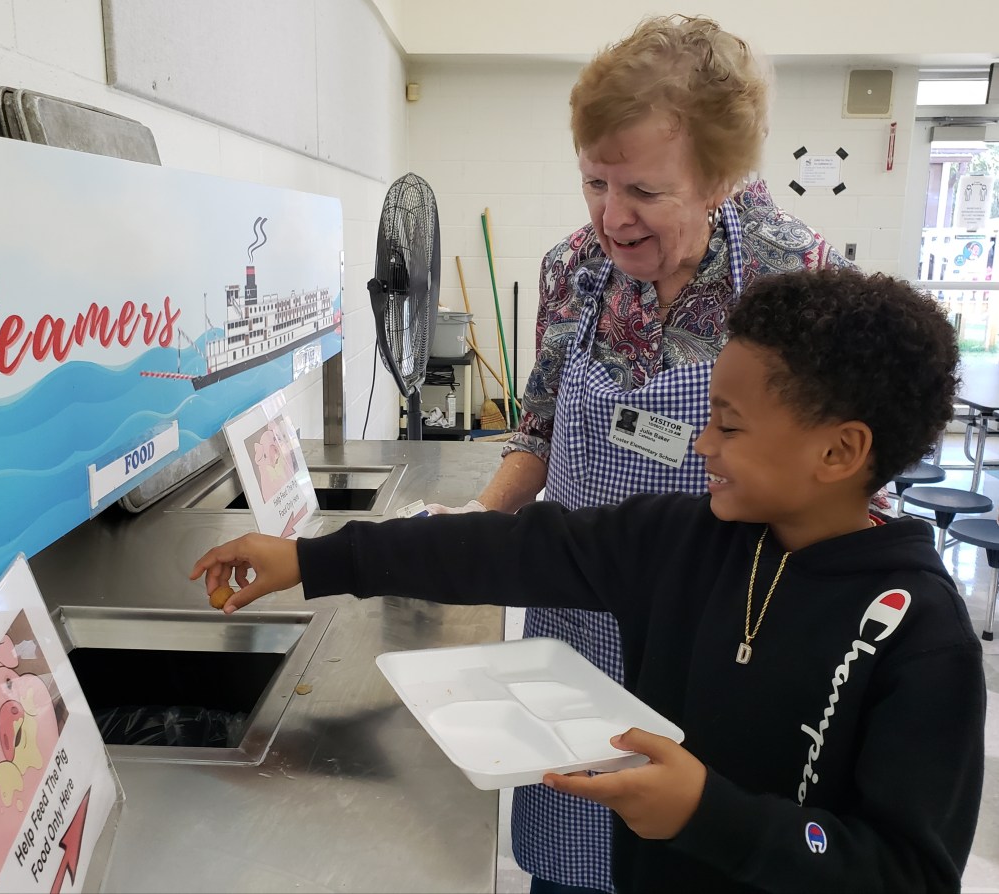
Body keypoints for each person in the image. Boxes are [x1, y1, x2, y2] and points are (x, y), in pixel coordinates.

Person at [192, 268, 985, 893]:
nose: (702, 444)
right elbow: (502, 551)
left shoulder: (918, 635)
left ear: (839, 453)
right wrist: (315, 560)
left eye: (730, 425)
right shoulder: (686, 540)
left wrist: (710, 813)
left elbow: (907, 872)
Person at [426, 15, 858, 893]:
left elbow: (836, 484)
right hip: (577, 629)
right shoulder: (573, 271)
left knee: (695, 854)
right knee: (574, 850)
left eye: (645, 192)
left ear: (720, 178)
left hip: (722, 635)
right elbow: (541, 426)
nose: (611, 217)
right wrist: (475, 522)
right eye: (595, 181)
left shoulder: (797, 278)